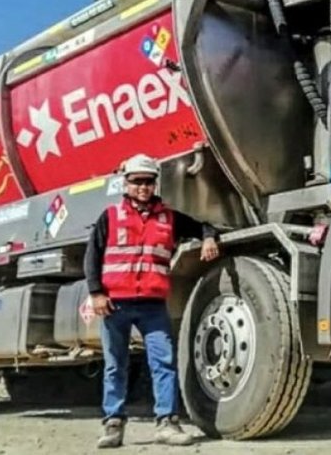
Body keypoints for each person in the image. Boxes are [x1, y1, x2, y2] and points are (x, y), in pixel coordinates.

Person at [84, 153, 220, 449]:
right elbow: (92, 257)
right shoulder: (109, 216)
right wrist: (96, 293)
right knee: (115, 365)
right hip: (115, 304)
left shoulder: (169, 218)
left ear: (155, 183)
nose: (143, 187)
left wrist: (209, 238)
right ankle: (113, 425)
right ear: (126, 184)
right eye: (137, 182)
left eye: (148, 182)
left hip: (152, 305)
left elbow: (204, 226)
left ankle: (167, 423)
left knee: (163, 362)